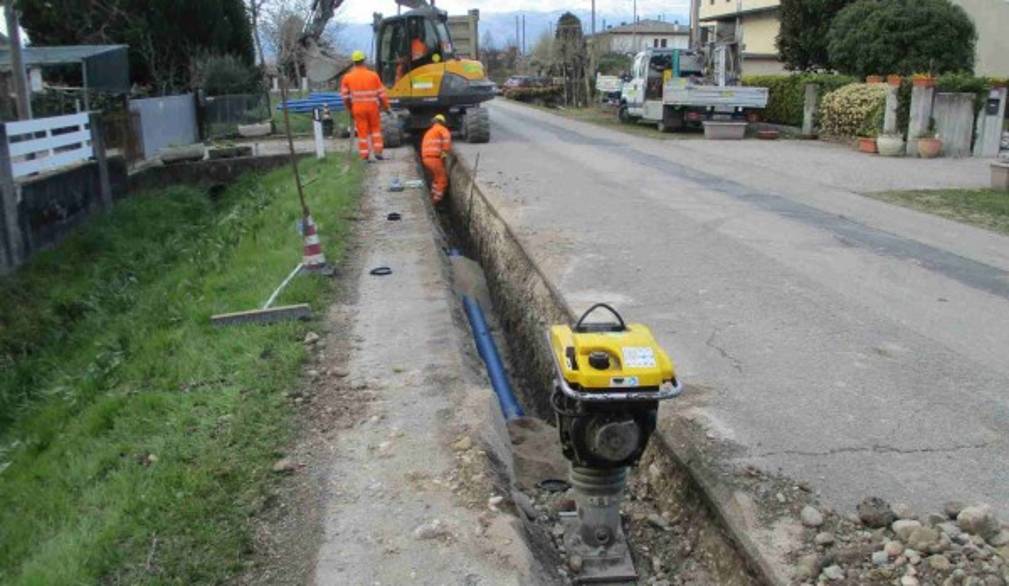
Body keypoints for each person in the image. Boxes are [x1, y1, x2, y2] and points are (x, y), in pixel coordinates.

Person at [340, 50, 390, 161]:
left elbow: (345, 97)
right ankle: (378, 152)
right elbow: (382, 94)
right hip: (373, 107)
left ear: (353, 62)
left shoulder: (347, 78)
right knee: (375, 130)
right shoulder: (373, 75)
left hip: (358, 108)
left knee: (362, 132)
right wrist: (386, 107)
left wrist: (350, 109)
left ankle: (365, 156)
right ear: (364, 61)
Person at [421, 114, 452, 204]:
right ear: (442, 122)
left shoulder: (430, 131)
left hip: (426, 159)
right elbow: (447, 140)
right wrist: (445, 152)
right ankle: (437, 200)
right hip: (434, 158)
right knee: (443, 179)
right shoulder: (442, 129)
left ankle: (433, 194)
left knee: (437, 177)